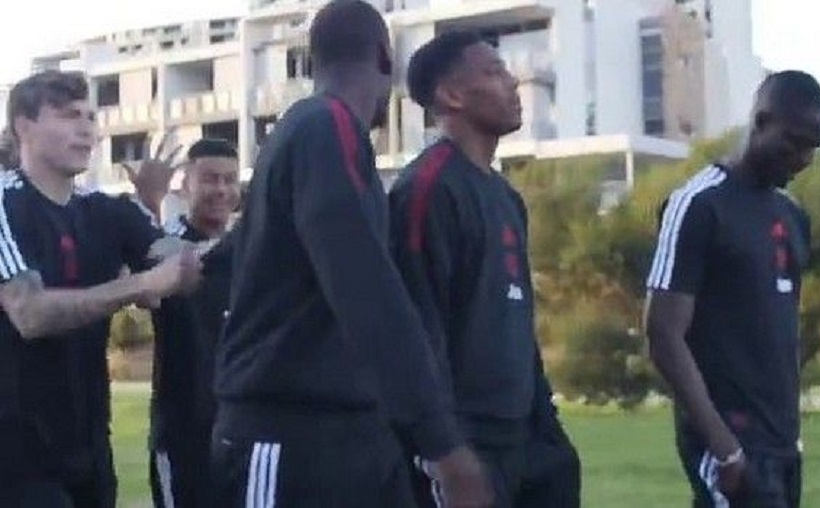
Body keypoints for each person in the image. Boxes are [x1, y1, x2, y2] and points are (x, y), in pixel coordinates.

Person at [211, 2, 492, 507]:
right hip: (289, 439)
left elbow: (248, 251)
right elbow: (364, 285)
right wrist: (443, 444)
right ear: (385, 57)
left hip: (352, 435)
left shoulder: (311, 135)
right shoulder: (326, 125)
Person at [389, 31, 580, 508]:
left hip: (526, 437)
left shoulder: (505, 196)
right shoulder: (427, 189)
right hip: (466, 445)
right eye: (495, 72)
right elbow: (417, 327)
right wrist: (445, 449)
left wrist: (547, 427)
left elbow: (517, 319)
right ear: (451, 95)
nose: (512, 83)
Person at [0, 70, 203, 507]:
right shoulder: (5, 204)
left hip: (89, 448)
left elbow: (178, 259)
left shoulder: (106, 211)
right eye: (69, 115)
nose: (86, 129)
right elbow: (29, 314)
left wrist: (190, 250)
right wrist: (138, 285)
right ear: (24, 127)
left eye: (90, 117)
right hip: (15, 456)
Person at [644, 70, 820, 508]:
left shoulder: (792, 215)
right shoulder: (699, 203)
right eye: (795, 142)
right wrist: (723, 446)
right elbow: (663, 334)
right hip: (730, 442)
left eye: (814, 147)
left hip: (781, 441)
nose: (803, 158)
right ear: (761, 122)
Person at [148, 138, 240, 508]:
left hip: (240, 429)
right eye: (210, 179)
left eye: (229, 180)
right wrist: (148, 202)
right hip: (183, 434)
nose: (221, 190)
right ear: (185, 184)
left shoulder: (249, 249)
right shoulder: (163, 244)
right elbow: (152, 262)